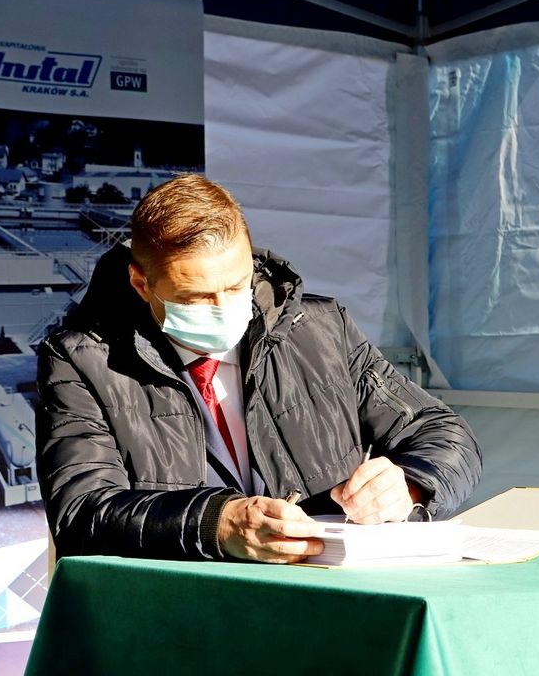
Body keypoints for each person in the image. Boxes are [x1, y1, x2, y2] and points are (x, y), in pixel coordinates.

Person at [36, 174, 481, 563]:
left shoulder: (320, 330)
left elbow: (442, 431)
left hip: (332, 599)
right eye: (195, 297)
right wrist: (218, 523)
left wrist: (410, 485)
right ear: (141, 283)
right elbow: (81, 513)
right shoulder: (83, 361)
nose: (222, 308)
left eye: (236, 286)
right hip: (184, 611)